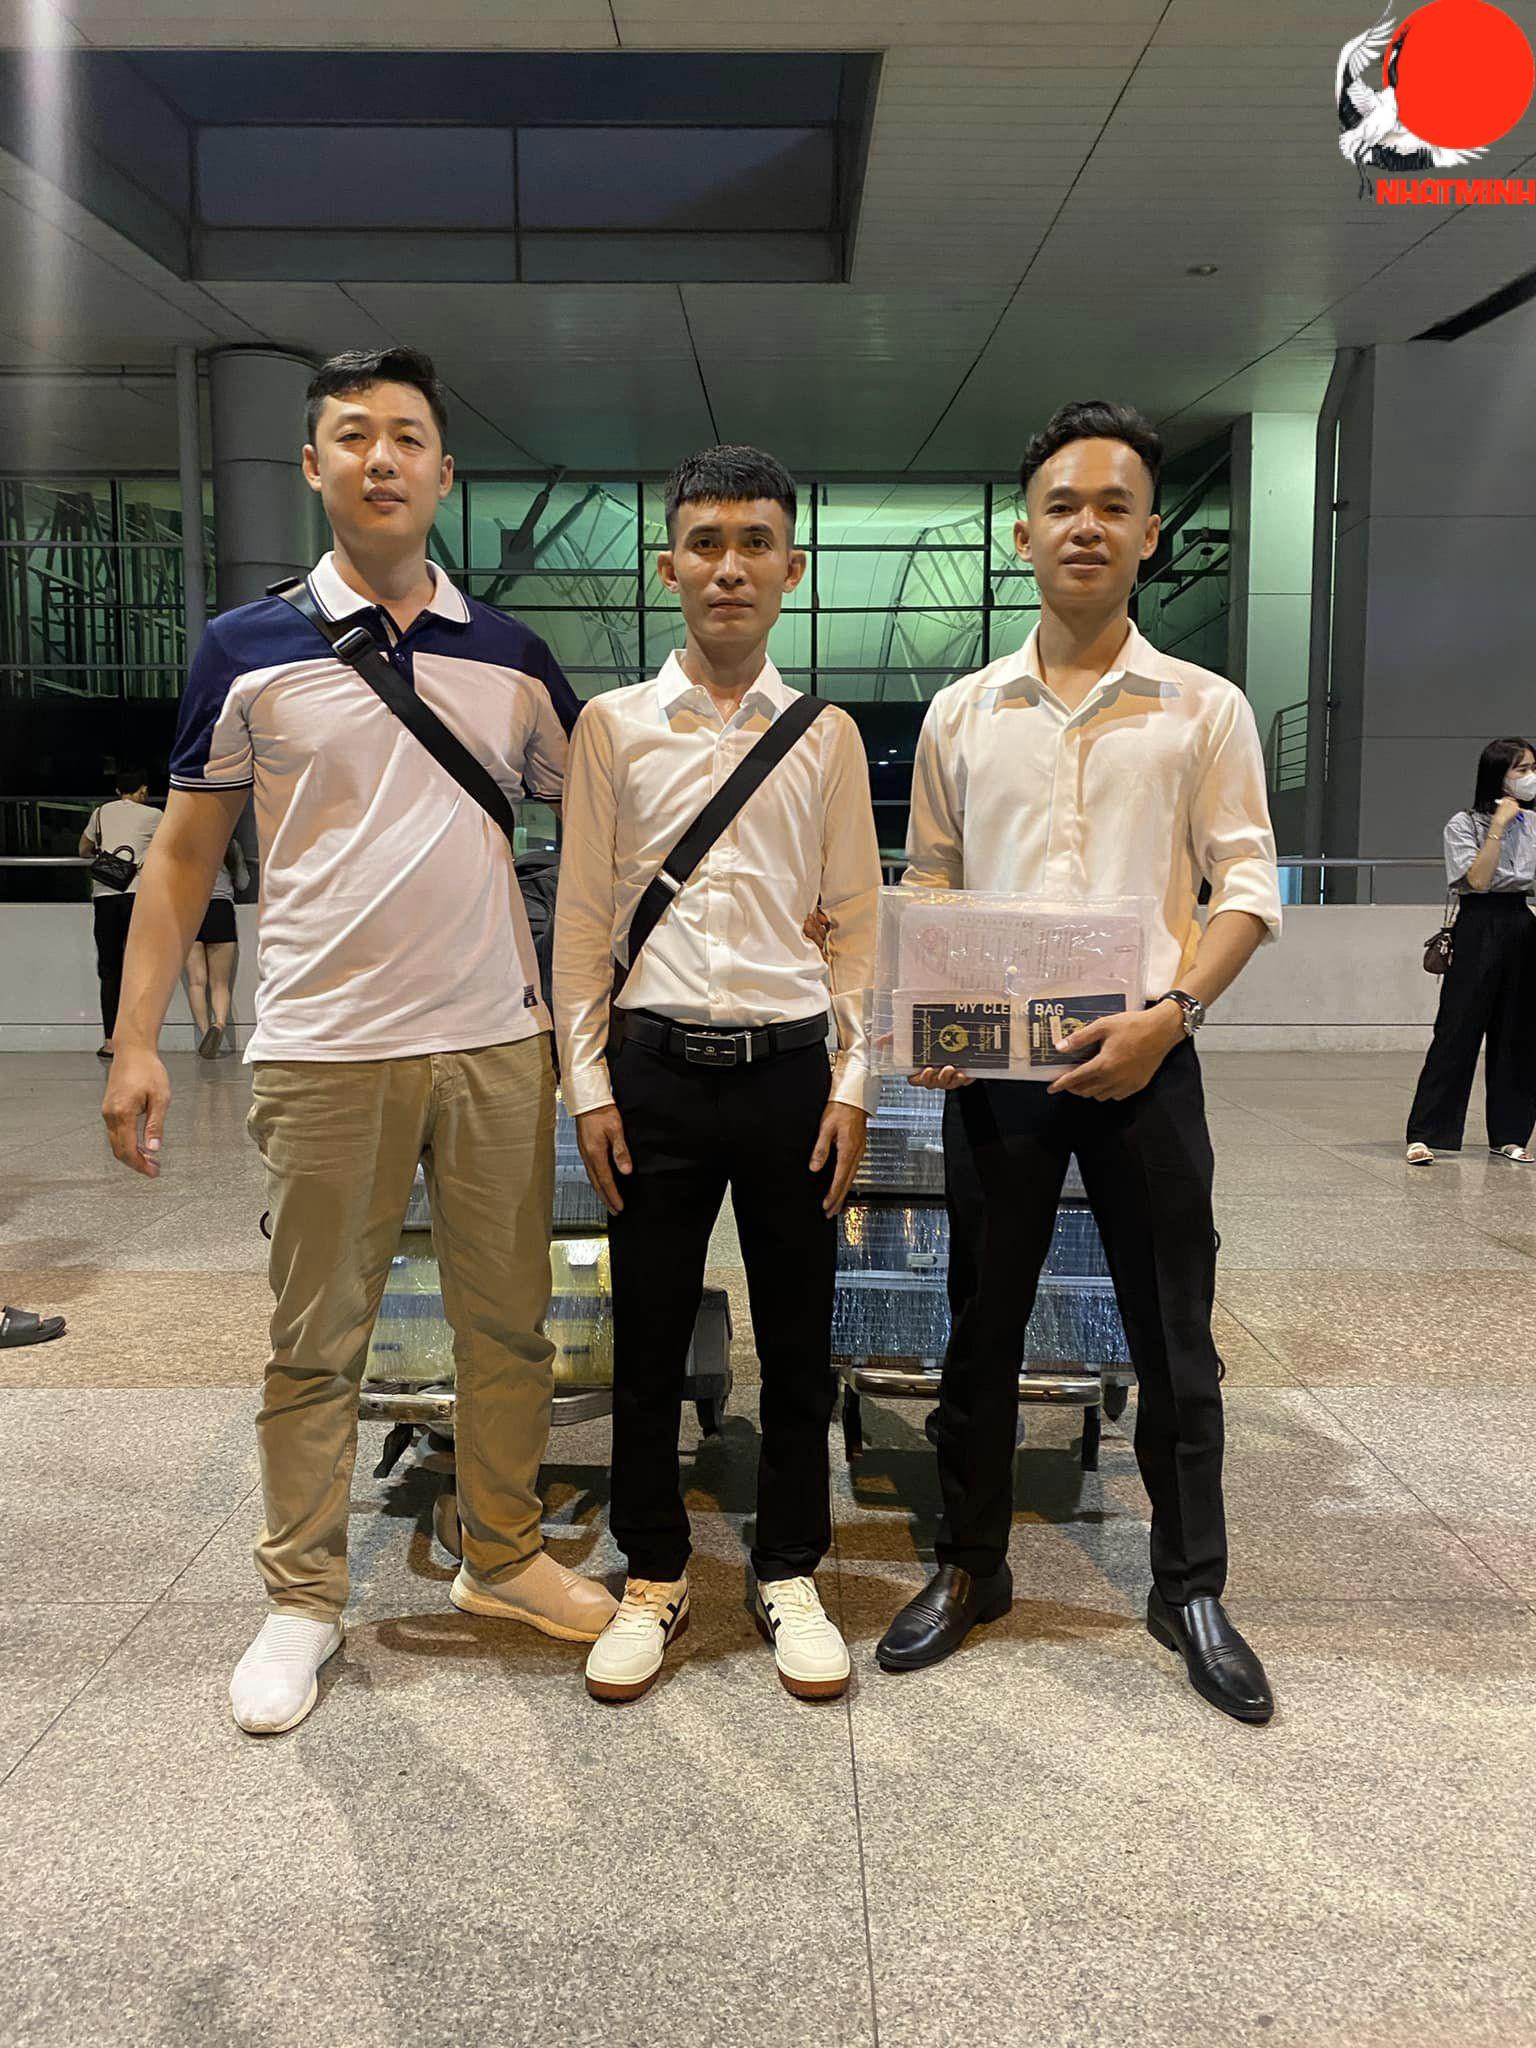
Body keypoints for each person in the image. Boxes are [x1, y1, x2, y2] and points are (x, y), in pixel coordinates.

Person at [102, 345, 615, 1735]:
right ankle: (302, 1596)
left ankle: (503, 1549)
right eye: (351, 435)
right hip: (325, 1046)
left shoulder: (511, 658)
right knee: (315, 1339)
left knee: (508, 1326)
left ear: (445, 470)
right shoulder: (245, 647)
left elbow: (609, 827)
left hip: (496, 1042)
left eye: (404, 435)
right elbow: (182, 858)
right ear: (314, 465)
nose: (379, 457)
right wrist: (135, 1040)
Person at [875, 400, 1283, 1726]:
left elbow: (1248, 885)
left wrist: (1175, 1011)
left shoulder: (1203, 707)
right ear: (1023, 534)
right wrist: (934, 1015)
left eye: (1115, 506)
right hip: (999, 1075)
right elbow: (932, 882)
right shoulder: (964, 712)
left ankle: (1191, 1586)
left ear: (1151, 536)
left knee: (1176, 1333)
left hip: (1149, 1055)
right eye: (1063, 506)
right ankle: (971, 1562)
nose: (1087, 527)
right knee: (979, 1326)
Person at [553, 444, 881, 1706]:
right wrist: (589, 1085)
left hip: (792, 1072)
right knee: (645, 1336)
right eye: (706, 542)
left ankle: (788, 1566)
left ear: (793, 568)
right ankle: (653, 1569)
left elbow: (857, 925)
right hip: (654, 1075)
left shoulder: (827, 736)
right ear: (669, 565)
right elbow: (583, 924)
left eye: (755, 543)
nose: (729, 565)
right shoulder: (613, 728)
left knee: (800, 1337)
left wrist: (853, 1082)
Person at [1405, 738, 1536, 1166]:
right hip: (1478, 923)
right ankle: (1426, 1133)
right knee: (1456, 1029)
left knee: (1518, 1034)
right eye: (1521, 769)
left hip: (1521, 922)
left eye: (1533, 768)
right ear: (1498, 774)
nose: (1529, 777)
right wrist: (1498, 826)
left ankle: (1510, 1134)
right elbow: (1477, 880)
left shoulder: (1534, 824)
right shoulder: (1463, 824)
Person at [79, 768, 162, 1060]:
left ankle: (110, 1040)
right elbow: (169, 849)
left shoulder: (101, 812)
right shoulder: (154, 816)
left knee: (109, 968)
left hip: (105, 895)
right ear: (143, 790)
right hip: (138, 895)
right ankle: (139, 1039)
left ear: (117, 791)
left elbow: (83, 849)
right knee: (140, 967)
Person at [185, 834, 249, 1058]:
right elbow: (243, 882)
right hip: (220, 910)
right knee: (220, 983)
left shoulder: (184, 840)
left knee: (196, 981)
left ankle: (205, 1034)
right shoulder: (230, 843)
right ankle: (219, 1025)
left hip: (190, 911)